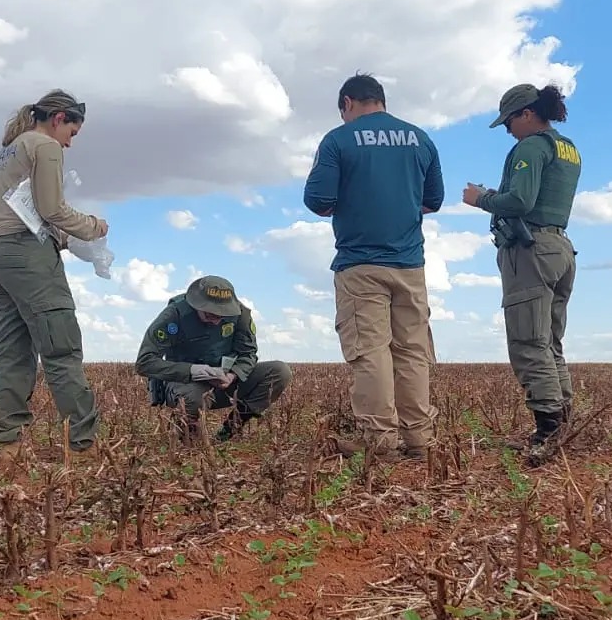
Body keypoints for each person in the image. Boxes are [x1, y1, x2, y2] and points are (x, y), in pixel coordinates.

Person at [303, 73, 444, 458]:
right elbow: (433, 200)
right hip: (411, 264)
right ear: (380, 100)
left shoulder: (338, 140)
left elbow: (317, 200)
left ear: (347, 103)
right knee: (412, 350)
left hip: (360, 263)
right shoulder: (420, 138)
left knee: (370, 351)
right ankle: (419, 438)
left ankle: (380, 441)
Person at [0, 89, 109, 456]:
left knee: (13, 350)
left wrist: (62, 238)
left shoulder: (9, 148)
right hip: (27, 256)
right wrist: (92, 226)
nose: (69, 144)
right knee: (61, 348)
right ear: (58, 119)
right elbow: (52, 208)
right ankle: (84, 445)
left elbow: (26, 209)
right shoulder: (44, 147)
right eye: (72, 133)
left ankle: (7, 443)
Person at [463, 83, 582, 458]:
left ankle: (547, 431)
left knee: (529, 342)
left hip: (531, 250)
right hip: (561, 247)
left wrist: (480, 199)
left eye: (509, 122)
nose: (508, 131)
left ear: (527, 114)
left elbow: (520, 200)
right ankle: (562, 421)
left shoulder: (530, 147)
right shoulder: (568, 148)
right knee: (550, 341)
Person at [135, 276, 293, 444]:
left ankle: (230, 429)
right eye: (210, 315)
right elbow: (145, 362)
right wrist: (192, 371)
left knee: (280, 371)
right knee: (193, 397)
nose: (216, 320)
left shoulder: (241, 314)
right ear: (196, 306)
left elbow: (248, 353)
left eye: (222, 316)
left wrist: (233, 375)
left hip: (224, 381)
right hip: (184, 384)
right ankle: (188, 438)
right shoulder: (175, 314)